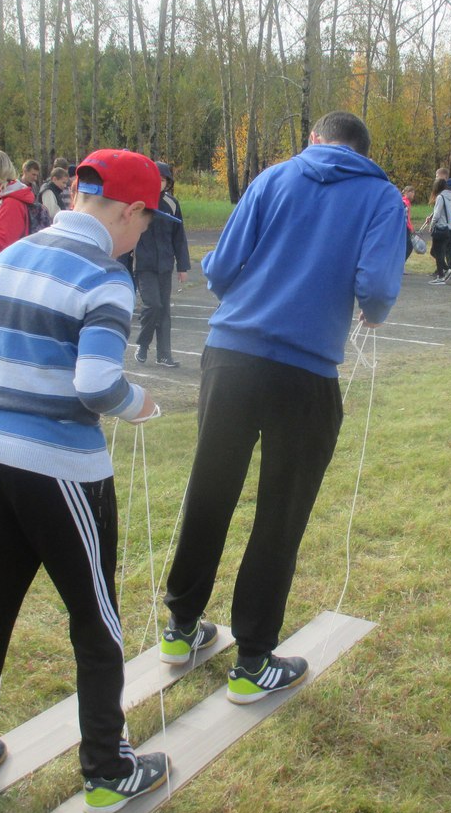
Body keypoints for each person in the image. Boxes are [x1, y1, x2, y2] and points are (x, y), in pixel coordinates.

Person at [0, 148, 169, 813]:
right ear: (128, 210)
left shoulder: (9, 258)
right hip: (62, 469)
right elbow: (96, 385)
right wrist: (139, 402)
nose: (140, 238)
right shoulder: (106, 278)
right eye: (145, 225)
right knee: (96, 621)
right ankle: (108, 771)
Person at [159, 111, 404, 706]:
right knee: (280, 512)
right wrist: (371, 307)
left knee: (210, 488)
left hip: (231, 356)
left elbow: (220, 267)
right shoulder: (381, 197)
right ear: (362, 149)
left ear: (315, 140)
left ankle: (180, 628)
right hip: (306, 372)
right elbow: (374, 289)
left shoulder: (274, 178)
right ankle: (251, 660)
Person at [133, 161, 190, 368]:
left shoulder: (172, 204)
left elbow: (179, 237)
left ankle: (164, 354)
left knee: (164, 310)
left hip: (165, 265)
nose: (160, 183)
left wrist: (182, 266)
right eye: (156, 179)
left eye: (163, 180)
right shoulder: (139, 203)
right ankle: (142, 344)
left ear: (168, 182)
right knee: (153, 305)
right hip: (144, 264)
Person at [427, 178, 451, 284]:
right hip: (447, 227)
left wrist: (431, 225)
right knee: (438, 251)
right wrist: (431, 216)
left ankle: (441, 275)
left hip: (440, 227)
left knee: (436, 252)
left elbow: (437, 214)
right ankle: (446, 271)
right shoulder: (448, 196)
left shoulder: (440, 197)